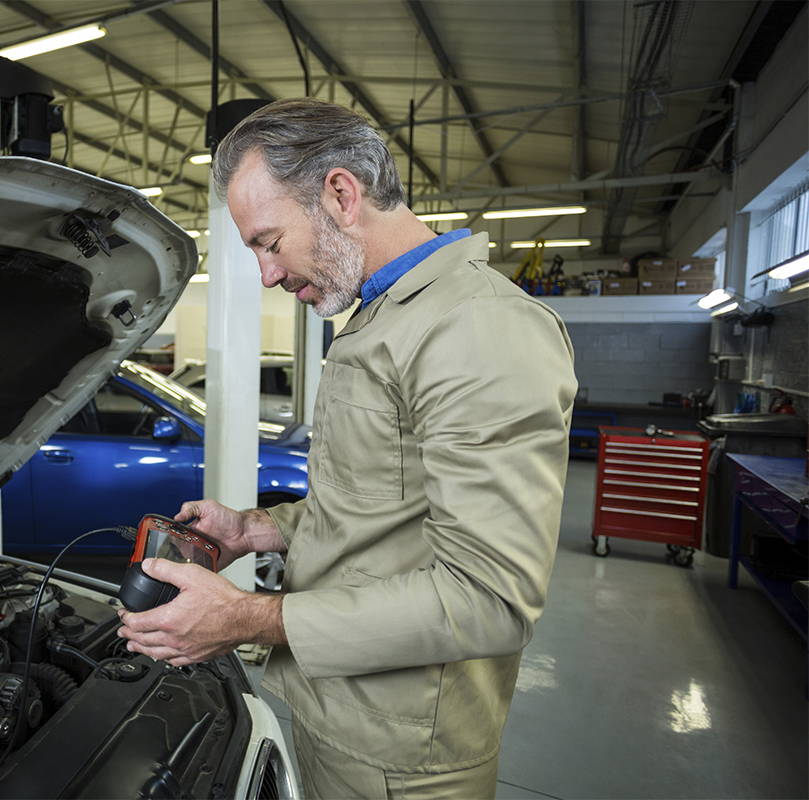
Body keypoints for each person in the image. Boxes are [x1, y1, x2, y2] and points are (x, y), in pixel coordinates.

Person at [116, 97, 577, 799]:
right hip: (334, 707)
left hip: (403, 752)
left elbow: (491, 597)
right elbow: (375, 509)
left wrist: (251, 619)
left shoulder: (477, 330)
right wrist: (259, 529)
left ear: (340, 193)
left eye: (269, 242)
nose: (267, 274)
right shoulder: (377, 317)